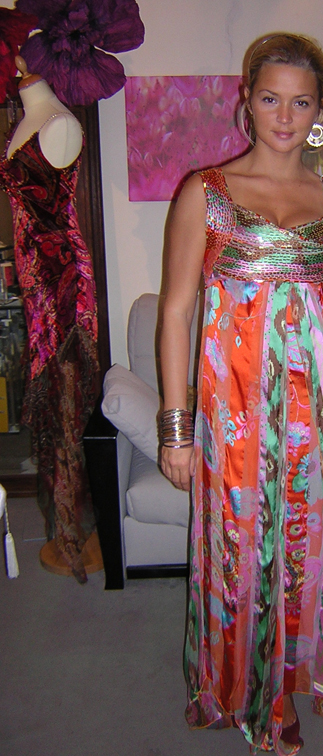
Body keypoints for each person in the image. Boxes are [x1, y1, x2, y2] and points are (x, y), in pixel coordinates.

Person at [160, 33, 323, 755]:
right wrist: (176, 429)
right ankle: (250, 690)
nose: (285, 116)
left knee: (313, 546)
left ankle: (287, 681)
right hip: (236, 413)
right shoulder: (206, 192)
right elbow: (176, 311)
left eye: (301, 102)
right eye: (270, 98)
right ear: (247, 102)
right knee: (242, 549)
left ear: (318, 110)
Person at [0, 56, 100, 583]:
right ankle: (68, 524)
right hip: (38, 283)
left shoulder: (60, 123)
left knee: (65, 398)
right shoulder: (27, 120)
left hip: (61, 283)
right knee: (54, 398)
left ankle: (73, 529)